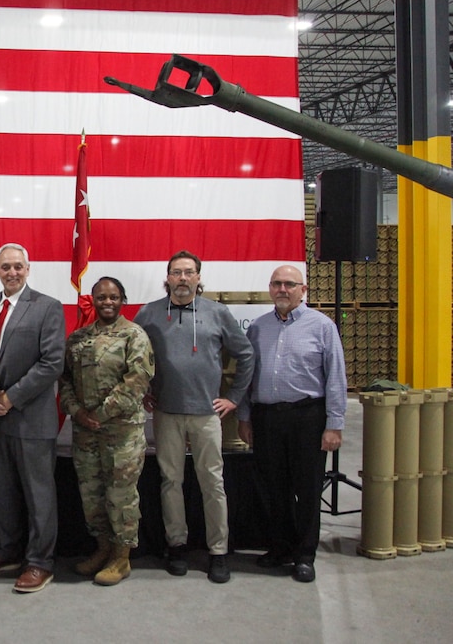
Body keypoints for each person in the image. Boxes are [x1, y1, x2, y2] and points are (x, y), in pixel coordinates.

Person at [133, 250, 253, 584]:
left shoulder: (218, 313)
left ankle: (218, 551)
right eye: (176, 272)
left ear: (199, 278)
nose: (182, 278)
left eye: (189, 272)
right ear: (167, 277)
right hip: (167, 413)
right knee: (171, 481)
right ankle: (177, 546)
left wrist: (233, 398)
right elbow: (134, 357)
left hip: (206, 415)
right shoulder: (150, 314)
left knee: (212, 483)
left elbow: (245, 355)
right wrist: (144, 389)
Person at [238, 265, 347, 583]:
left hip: (307, 418)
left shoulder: (322, 327)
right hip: (267, 417)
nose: (282, 289)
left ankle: (304, 554)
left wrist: (334, 425)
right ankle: (279, 548)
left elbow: (335, 378)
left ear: (303, 289)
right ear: (270, 289)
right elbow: (247, 378)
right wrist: (245, 417)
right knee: (274, 488)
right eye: (276, 284)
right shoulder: (257, 328)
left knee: (307, 488)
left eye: (289, 284)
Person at [0, 243, 64, 593]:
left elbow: (53, 363)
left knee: (39, 495)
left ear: (28, 268)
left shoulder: (47, 307)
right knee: (1, 494)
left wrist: (11, 397)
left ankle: (40, 562)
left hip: (32, 419)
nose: (12, 272)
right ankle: (6, 551)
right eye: (5, 267)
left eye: (18, 267)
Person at [60, 276, 154, 586]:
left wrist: (98, 414)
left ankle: (121, 557)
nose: (108, 302)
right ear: (93, 300)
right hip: (86, 434)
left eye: (114, 297)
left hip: (122, 434)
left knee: (121, 497)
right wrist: (77, 412)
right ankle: (102, 550)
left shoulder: (134, 336)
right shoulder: (78, 339)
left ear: (122, 300)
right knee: (92, 496)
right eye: (101, 297)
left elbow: (137, 382)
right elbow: (64, 382)